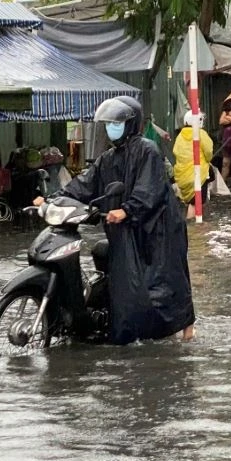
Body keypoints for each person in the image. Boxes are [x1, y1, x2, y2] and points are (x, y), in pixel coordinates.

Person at [33, 96, 196, 344]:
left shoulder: (147, 150)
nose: (111, 127)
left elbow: (148, 189)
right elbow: (84, 184)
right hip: (124, 228)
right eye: (108, 123)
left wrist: (127, 210)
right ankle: (130, 332)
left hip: (157, 228)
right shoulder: (107, 158)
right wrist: (52, 199)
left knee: (165, 280)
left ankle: (186, 330)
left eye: (116, 122)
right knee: (127, 283)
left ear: (131, 124)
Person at [173, 110, 214, 220]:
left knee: (193, 202)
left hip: (182, 176)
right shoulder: (200, 134)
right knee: (195, 203)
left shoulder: (180, 136)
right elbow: (209, 152)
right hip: (198, 174)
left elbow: (176, 153)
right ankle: (193, 229)